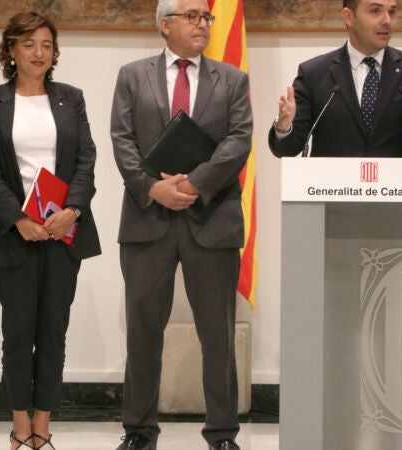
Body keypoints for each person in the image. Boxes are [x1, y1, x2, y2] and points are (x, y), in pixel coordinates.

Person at [109, 0, 253, 448]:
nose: (203, 23)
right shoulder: (132, 76)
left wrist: (194, 183)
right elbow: (122, 139)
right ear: (164, 24)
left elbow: (239, 141)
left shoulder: (232, 79)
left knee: (218, 335)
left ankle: (222, 434)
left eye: (206, 17)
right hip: (147, 218)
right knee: (143, 333)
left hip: (212, 219)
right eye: (192, 16)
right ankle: (138, 432)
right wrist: (153, 188)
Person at [0, 10, 101, 450]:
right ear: (11, 50)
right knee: (17, 334)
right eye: (29, 44)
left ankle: (43, 426)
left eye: (47, 44)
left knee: (53, 333)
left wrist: (73, 209)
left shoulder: (71, 98)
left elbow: (85, 160)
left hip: (64, 232)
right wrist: (19, 218)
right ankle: (19, 427)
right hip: (14, 235)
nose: (39, 52)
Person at [269, 0, 402, 158]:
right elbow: (286, 149)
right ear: (349, 17)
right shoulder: (313, 74)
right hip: (332, 196)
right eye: (375, 11)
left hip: (397, 195)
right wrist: (284, 127)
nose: (387, 20)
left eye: (391, 12)